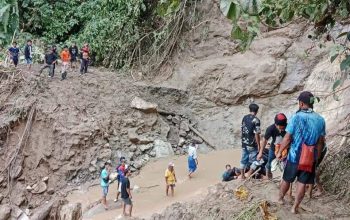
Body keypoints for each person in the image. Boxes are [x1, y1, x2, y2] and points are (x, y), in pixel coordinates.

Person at [276, 91, 325, 214]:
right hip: (309, 158)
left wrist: (279, 152)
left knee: (287, 179)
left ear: (301, 103)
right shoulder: (320, 120)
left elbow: (287, 138)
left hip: (294, 156)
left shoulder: (296, 117)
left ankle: (280, 199)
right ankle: (295, 207)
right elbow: (320, 142)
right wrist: (317, 158)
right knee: (302, 183)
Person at [257, 113, 288, 179]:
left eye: (283, 128)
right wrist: (260, 153)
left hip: (286, 149)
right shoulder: (271, 129)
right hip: (273, 149)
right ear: (276, 125)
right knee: (269, 163)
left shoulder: (288, 128)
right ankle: (268, 177)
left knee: (286, 165)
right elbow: (265, 140)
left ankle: (284, 179)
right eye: (280, 128)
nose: (282, 130)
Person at [240, 103, 261, 179]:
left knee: (243, 159)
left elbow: (243, 129)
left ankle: (242, 175)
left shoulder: (244, 118)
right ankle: (249, 174)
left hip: (244, 143)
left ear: (249, 110)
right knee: (257, 160)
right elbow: (256, 134)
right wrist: (259, 145)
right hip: (252, 145)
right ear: (257, 111)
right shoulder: (256, 120)